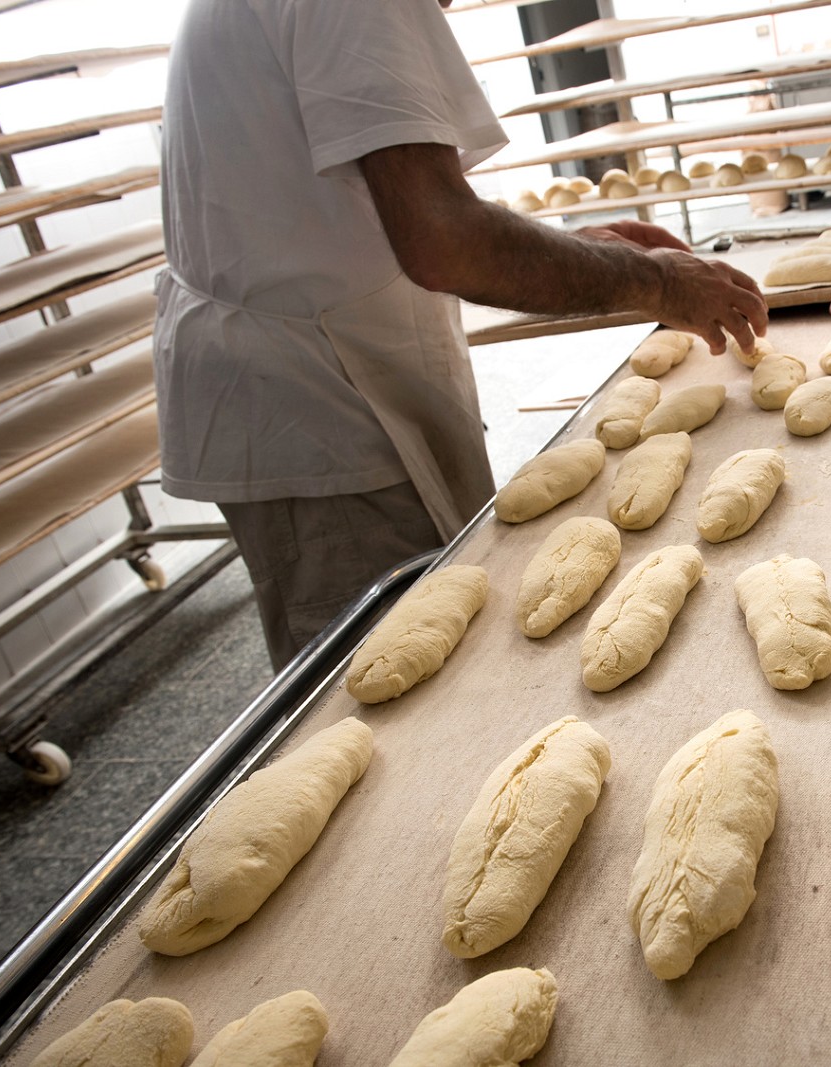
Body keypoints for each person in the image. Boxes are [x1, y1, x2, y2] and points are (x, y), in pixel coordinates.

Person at [154, 0, 767, 668]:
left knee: (426, 649)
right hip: (316, 400)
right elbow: (442, 241)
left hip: (308, 368)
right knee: (381, 684)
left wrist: (584, 253)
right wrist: (655, 282)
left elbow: (378, 211)